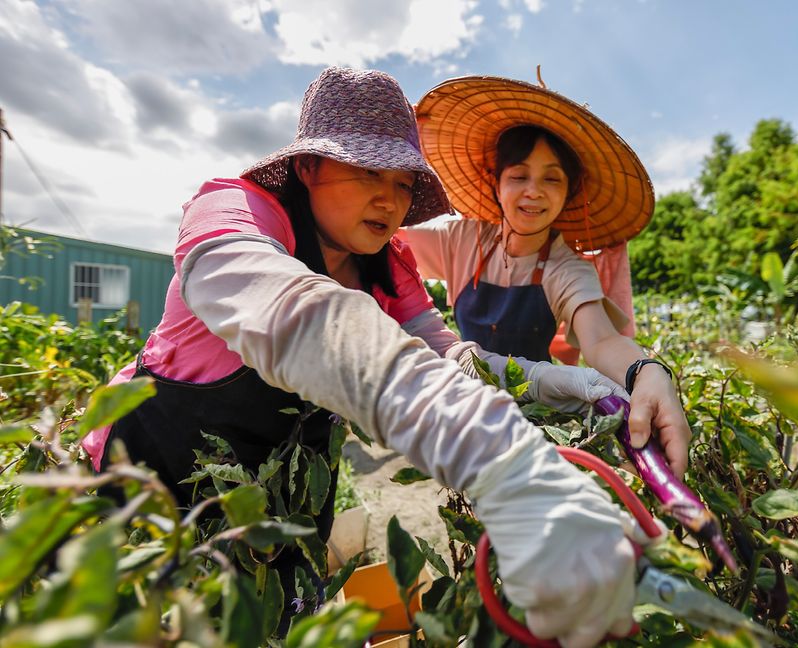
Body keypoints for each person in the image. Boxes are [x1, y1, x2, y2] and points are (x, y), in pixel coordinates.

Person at [81, 67, 648, 647]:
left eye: (404, 183)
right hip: (152, 489)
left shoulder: (386, 265)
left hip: (280, 499)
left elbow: (453, 358)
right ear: (308, 167)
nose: (390, 198)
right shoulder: (236, 214)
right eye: (369, 171)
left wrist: (564, 381)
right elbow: (294, 314)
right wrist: (499, 456)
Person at [402, 74, 691, 476]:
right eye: (519, 176)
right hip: (465, 403)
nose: (533, 191)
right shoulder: (461, 240)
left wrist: (650, 371)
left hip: (535, 412)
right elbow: (389, 243)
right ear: (496, 182)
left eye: (551, 179)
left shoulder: (566, 267)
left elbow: (602, 339)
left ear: (569, 192)